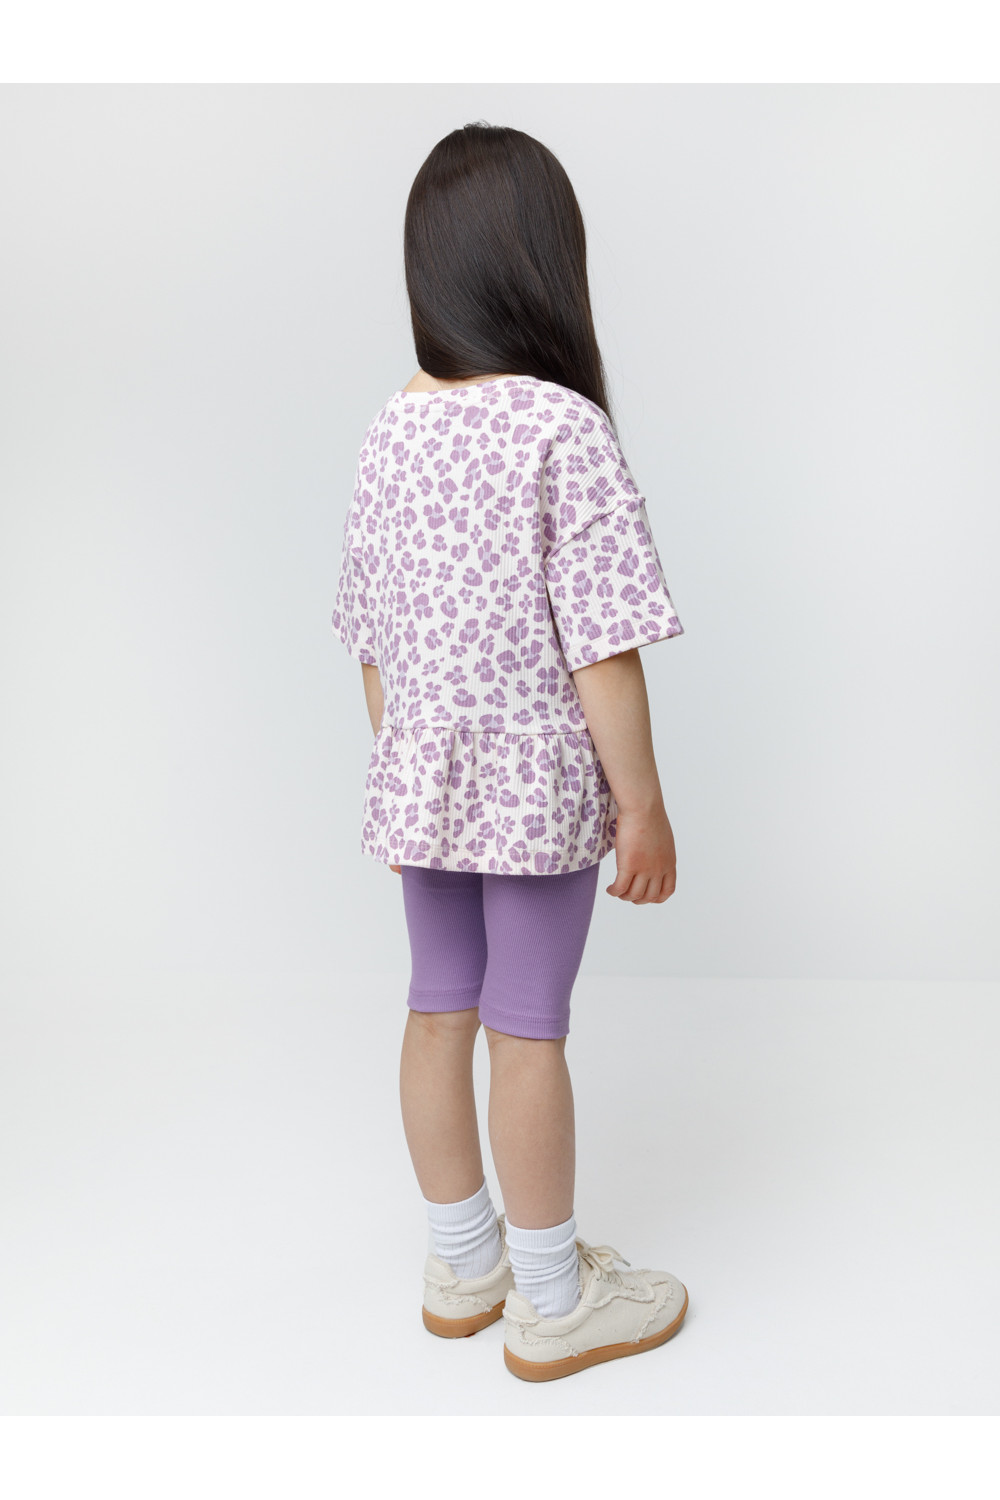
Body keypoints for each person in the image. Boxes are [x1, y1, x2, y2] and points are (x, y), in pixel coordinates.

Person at [331, 121, 689, 1382]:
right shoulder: (560, 428)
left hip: (422, 776)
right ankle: (552, 1301)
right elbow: (603, 648)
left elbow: (371, 636)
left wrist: (405, 781)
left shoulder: (391, 428)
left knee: (439, 1009)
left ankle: (462, 1264)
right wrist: (641, 807)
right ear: (543, 262)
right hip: (536, 789)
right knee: (527, 1029)